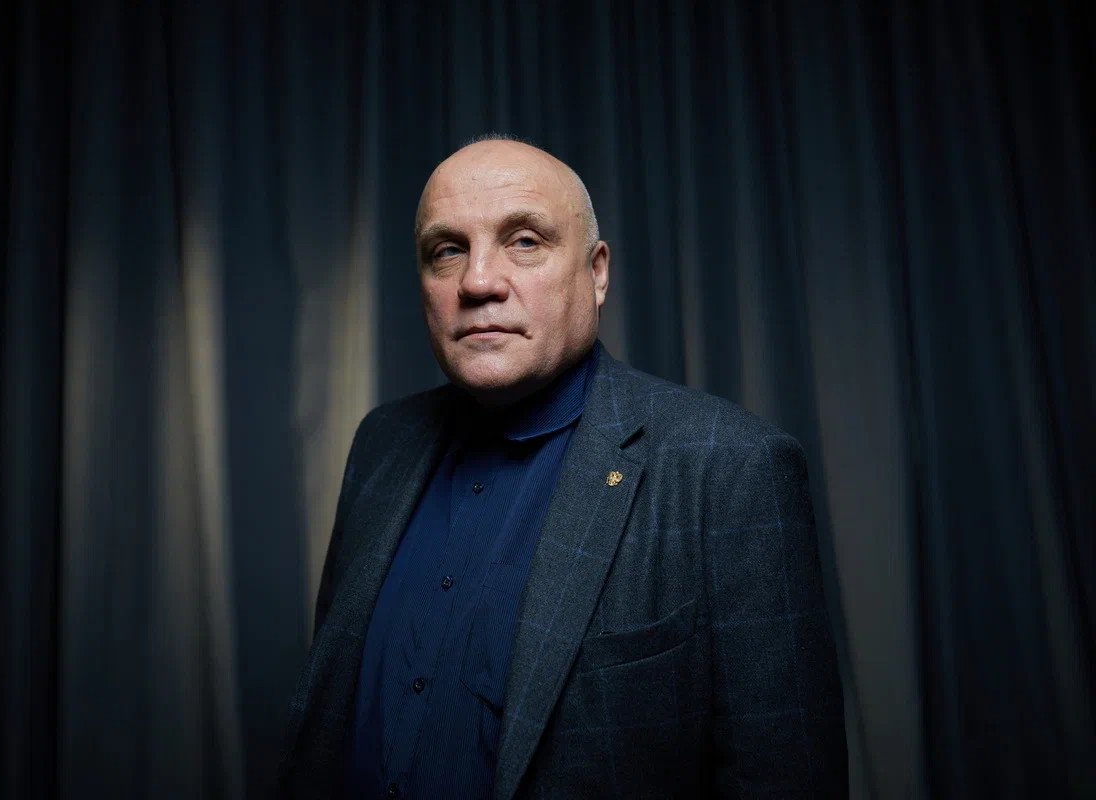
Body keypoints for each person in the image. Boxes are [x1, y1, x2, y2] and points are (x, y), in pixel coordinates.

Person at [279, 136, 847, 798]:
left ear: (597, 272)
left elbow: (784, 775)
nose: (478, 282)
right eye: (448, 250)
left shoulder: (730, 468)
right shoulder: (381, 446)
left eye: (524, 241)